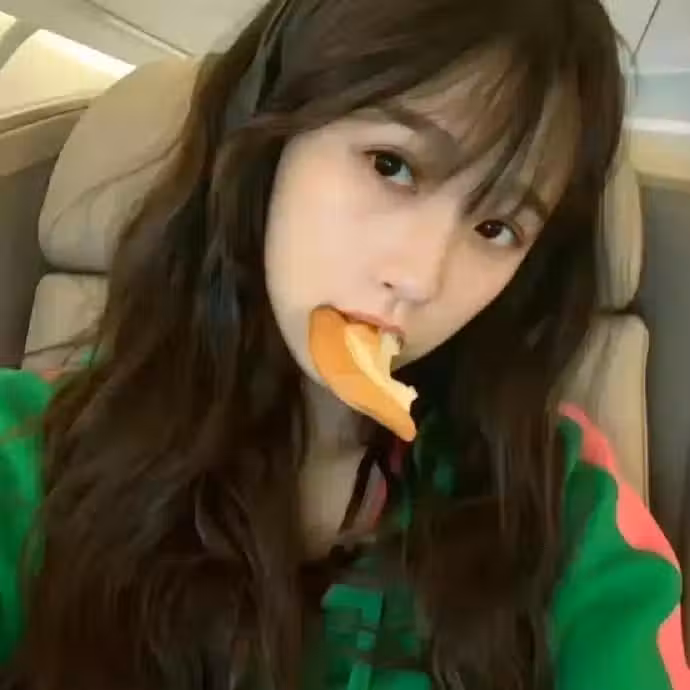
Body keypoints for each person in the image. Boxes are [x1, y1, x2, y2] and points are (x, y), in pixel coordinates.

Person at [0, 0, 688, 688]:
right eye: (391, 164)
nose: (419, 279)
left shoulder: (571, 509)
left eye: (496, 228)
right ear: (268, 142)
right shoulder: (28, 452)